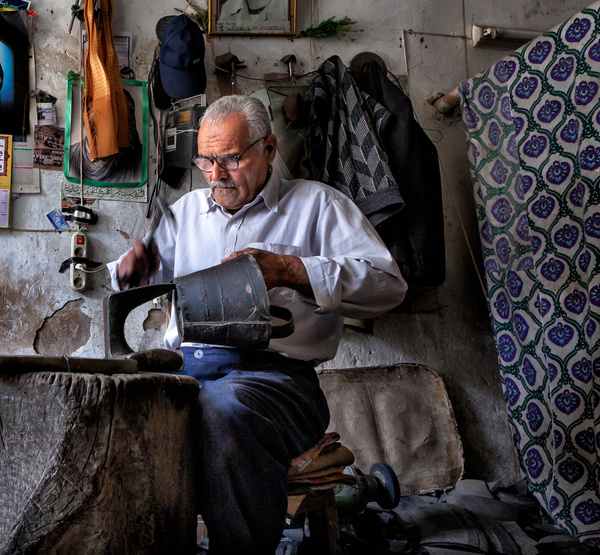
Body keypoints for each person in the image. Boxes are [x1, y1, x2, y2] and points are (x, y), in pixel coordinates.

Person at [109, 95, 407, 554]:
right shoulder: (187, 212)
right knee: (119, 410)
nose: (216, 175)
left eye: (230, 158)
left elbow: (389, 285)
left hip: (276, 381)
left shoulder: (318, 205)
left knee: (223, 410)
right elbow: (130, 274)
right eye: (206, 161)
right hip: (188, 369)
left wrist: (291, 269)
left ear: (268, 148)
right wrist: (134, 270)